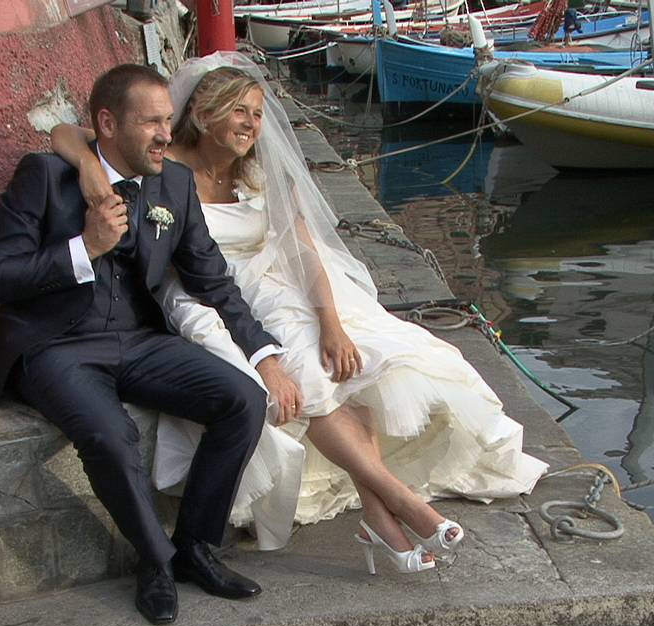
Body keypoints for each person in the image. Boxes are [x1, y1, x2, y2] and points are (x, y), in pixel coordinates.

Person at [51, 52, 548, 577]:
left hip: (273, 286)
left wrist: (330, 321)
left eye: (257, 113)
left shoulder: (260, 172)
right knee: (307, 374)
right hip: (208, 294)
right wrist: (87, 165)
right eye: (238, 111)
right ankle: (399, 503)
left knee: (352, 367)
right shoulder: (162, 161)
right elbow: (68, 133)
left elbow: (306, 252)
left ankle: (383, 511)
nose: (251, 125)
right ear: (201, 111)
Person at [0, 63, 304, 626]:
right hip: (56, 346)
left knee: (242, 400)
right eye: (151, 122)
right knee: (109, 433)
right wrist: (84, 248)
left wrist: (265, 358)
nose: (166, 135)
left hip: (140, 339)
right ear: (107, 124)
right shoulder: (45, 176)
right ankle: (155, 561)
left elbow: (213, 277)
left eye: (169, 120)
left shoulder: (172, 184)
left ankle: (196, 546)